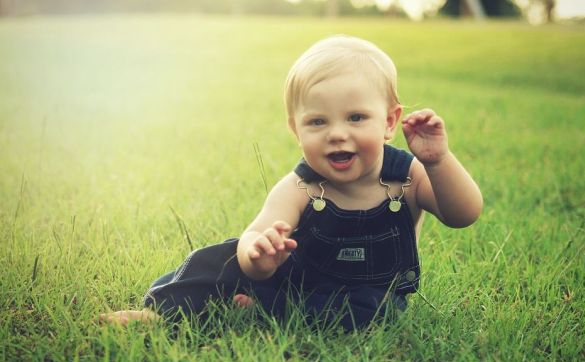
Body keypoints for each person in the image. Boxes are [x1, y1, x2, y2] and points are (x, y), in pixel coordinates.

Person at [99, 35, 483, 330]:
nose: (336, 133)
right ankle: (162, 312)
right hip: (294, 279)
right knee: (221, 258)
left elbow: (462, 214)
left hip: (365, 295)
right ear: (295, 130)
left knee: (373, 312)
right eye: (317, 122)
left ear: (388, 122)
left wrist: (439, 162)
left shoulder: (409, 176)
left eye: (355, 118)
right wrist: (259, 256)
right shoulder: (301, 187)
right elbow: (257, 233)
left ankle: (260, 312)